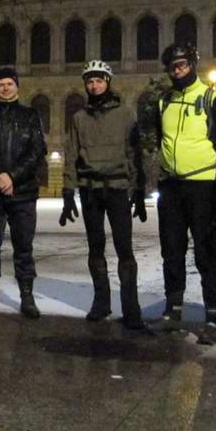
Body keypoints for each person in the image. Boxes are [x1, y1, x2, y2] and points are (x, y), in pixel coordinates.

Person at [60, 60, 146, 329]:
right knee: (95, 247)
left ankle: (131, 307)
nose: (94, 85)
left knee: (124, 249)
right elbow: (71, 154)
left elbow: (134, 153)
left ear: (108, 82)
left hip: (118, 189)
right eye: (90, 81)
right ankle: (101, 301)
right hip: (90, 191)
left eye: (99, 80)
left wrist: (139, 188)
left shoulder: (125, 114)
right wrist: (67, 190)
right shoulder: (79, 118)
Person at [156, 43, 216, 344]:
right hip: (172, 186)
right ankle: (173, 309)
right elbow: (161, 139)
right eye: (173, 67)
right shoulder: (164, 101)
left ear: (193, 65)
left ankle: (213, 316)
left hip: (204, 185)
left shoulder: (212, 98)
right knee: (171, 250)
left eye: (183, 65)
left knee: (206, 252)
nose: (177, 70)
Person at [0, 67, 47, 319]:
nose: (5, 87)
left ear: (17, 87)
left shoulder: (30, 115)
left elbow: (37, 152)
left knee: (23, 247)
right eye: (1, 84)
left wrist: (12, 176)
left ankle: (27, 296)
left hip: (23, 193)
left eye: (9, 83)